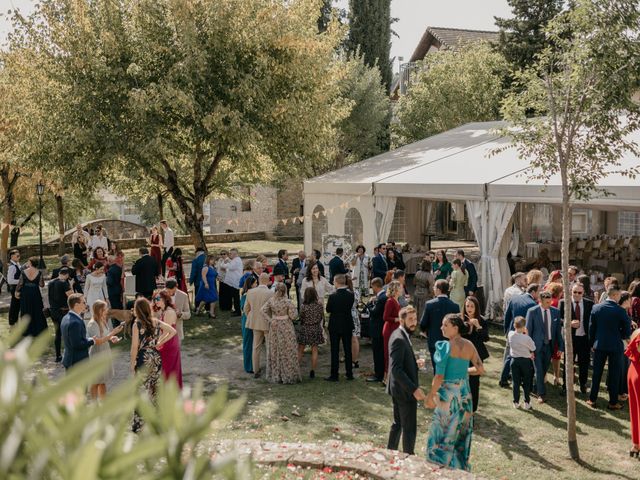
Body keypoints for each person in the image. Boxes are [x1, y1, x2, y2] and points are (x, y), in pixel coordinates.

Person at [425, 314, 484, 471]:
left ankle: (438, 467)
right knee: (461, 432)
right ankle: (458, 469)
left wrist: (430, 395)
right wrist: (463, 372)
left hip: (448, 395)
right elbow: (480, 369)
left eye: (445, 325)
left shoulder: (445, 347)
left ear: (455, 328)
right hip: (465, 393)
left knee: (442, 431)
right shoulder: (470, 345)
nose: (441, 328)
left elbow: (439, 376)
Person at [130, 297, 176, 432]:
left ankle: (140, 424)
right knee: (155, 388)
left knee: (141, 389)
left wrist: (132, 364)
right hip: (156, 356)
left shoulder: (137, 324)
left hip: (143, 357)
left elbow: (134, 347)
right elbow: (173, 331)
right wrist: (160, 342)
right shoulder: (155, 321)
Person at [386, 306, 425, 455]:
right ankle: (409, 457)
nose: (414, 323)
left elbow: (400, 363)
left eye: (415, 319)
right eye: (410, 319)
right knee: (409, 427)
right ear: (401, 320)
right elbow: (396, 369)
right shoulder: (399, 338)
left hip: (398, 388)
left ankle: (390, 453)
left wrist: (415, 363)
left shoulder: (402, 334)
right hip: (404, 391)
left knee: (398, 424)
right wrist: (414, 389)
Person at [588, 285, 632, 410]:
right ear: (614, 295)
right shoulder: (620, 311)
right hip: (615, 345)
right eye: (618, 295)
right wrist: (621, 334)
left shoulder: (596, 307)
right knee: (614, 373)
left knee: (597, 373)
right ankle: (613, 402)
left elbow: (592, 328)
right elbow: (626, 331)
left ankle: (592, 399)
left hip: (599, 344)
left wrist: (592, 343)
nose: (619, 298)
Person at [61, 293, 120, 371]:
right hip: (77, 362)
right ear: (76, 305)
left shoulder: (66, 318)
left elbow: (76, 339)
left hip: (71, 359)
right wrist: (92, 340)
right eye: (84, 302)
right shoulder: (75, 322)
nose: (86, 304)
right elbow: (77, 344)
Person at [525, 290, 564, 403]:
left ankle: (534, 386)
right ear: (540, 301)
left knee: (544, 368)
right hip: (536, 347)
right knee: (539, 369)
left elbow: (558, 332)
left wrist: (561, 347)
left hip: (549, 346)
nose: (549, 304)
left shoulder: (555, 312)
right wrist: (530, 349)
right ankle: (541, 394)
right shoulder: (532, 312)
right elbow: (528, 331)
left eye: (550, 301)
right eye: (547, 302)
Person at [500, 283, 540, 388]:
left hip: (512, 333)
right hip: (524, 335)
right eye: (538, 292)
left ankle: (503, 379)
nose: (539, 295)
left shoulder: (514, 299)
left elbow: (507, 316)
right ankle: (523, 380)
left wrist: (506, 331)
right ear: (533, 292)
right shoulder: (533, 304)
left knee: (509, 356)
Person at [261, 283, 300, 384]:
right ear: (285, 291)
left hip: (274, 326)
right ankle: (288, 375)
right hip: (286, 326)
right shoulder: (288, 302)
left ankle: (276, 375)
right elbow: (294, 316)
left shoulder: (271, 301)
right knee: (288, 349)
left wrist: (270, 320)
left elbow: (262, 311)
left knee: (275, 349)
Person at [559, 283, 593, 394]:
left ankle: (583, 384)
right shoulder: (564, 302)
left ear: (583, 293)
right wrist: (568, 323)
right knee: (568, 363)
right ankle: (566, 386)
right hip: (570, 339)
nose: (577, 294)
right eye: (574, 292)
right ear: (570, 291)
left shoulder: (589, 304)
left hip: (584, 339)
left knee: (584, 363)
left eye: (579, 292)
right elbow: (558, 319)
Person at [420, 279, 460, 372]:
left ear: (438, 289)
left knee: (437, 369)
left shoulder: (429, 304)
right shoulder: (455, 306)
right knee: (448, 368)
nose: (433, 289)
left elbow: (423, 323)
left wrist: (426, 332)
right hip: (450, 342)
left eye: (434, 287)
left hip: (434, 340)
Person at [87, 300, 120, 399]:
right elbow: (98, 341)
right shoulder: (92, 324)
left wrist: (112, 338)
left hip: (105, 352)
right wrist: (112, 333)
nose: (107, 310)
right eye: (105, 308)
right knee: (95, 381)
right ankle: (94, 404)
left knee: (103, 380)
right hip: (97, 354)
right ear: (100, 310)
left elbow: (105, 336)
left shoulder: (103, 320)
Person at [325, 274, 355, 381]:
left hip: (335, 324)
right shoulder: (351, 295)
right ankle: (349, 373)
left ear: (337, 282)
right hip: (347, 323)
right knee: (348, 349)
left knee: (335, 350)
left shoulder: (333, 296)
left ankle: (334, 374)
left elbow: (328, 309)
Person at [244, 273, 274, 378]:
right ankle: (270, 370)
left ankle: (256, 370)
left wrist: (252, 317)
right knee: (269, 347)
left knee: (255, 347)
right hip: (267, 322)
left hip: (255, 323)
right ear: (267, 280)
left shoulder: (250, 292)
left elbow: (246, 309)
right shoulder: (270, 293)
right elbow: (272, 309)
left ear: (259, 280)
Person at [462, 296, 489, 412]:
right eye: (467, 306)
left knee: (474, 382)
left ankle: (472, 410)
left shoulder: (482, 320)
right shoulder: (460, 319)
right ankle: (461, 407)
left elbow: (486, 338)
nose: (469, 308)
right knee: (461, 381)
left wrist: (478, 326)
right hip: (462, 355)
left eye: (472, 306)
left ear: (476, 308)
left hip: (476, 355)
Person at [153, 290, 183, 388]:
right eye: (154, 299)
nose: (155, 301)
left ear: (165, 299)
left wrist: (158, 343)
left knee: (169, 370)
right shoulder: (164, 311)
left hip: (169, 343)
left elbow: (167, 332)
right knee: (168, 370)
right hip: (168, 341)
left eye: (158, 299)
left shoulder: (169, 312)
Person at [15, 257, 47, 338]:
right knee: (37, 310)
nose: (27, 263)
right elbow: (42, 285)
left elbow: (20, 283)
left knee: (26, 310)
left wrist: (17, 292)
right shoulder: (39, 272)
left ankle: (26, 330)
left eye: (28, 261)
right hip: (35, 293)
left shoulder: (24, 271)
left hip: (26, 294)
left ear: (31, 262)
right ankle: (38, 330)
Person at [297, 286, 325, 379]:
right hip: (316, 328)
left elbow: (301, 318)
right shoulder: (319, 305)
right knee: (314, 350)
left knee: (300, 350)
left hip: (305, 328)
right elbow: (322, 317)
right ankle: (312, 370)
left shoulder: (303, 306)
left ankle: (296, 369)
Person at [509, 316, 536, 410]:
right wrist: (527, 334)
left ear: (514, 325)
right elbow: (533, 348)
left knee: (516, 382)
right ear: (524, 326)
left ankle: (516, 402)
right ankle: (527, 402)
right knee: (527, 382)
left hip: (514, 360)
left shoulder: (510, 334)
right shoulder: (526, 338)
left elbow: (513, 333)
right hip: (525, 361)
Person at [48, 267, 73, 362]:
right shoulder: (64, 283)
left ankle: (58, 355)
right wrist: (71, 285)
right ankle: (69, 354)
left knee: (57, 334)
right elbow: (72, 296)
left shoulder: (50, 283)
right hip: (63, 311)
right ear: (66, 275)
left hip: (53, 311)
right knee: (68, 333)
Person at [366, 277, 387, 383]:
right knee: (379, 352)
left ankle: (378, 374)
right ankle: (380, 372)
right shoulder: (383, 296)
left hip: (378, 329)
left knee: (378, 353)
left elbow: (374, 312)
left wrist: (369, 304)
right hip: (380, 328)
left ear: (375, 286)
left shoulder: (382, 298)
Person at [382, 281, 402, 379]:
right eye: (400, 288)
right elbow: (385, 317)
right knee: (388, 352)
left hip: (396, 329)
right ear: (395, 290)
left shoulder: (396, 300)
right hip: (390, 329)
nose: (402, 289)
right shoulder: (390, 301)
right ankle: (386, 376)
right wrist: (397, 319)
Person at [625, 326, 640, 457]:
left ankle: (636, 444)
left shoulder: (637, 332)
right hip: (638, 373)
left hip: (633, 371)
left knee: (635, 410)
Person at [165, 278, 191, 343]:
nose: (170, 293)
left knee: (177, 352)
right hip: (163, 330)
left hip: (177, 331)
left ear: (176, 286)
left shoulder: (183, 296)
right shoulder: (161, 294)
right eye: (168, 291)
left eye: (172, 291)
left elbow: (188, 314)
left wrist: (180, 314)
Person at [240, 276, 257, 373]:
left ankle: (253, 364)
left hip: (252, 320)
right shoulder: (246, 295)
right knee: (248, 343)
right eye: (255, 283)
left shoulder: (252, 294)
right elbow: (244, 308)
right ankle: (248, 366)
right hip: (247, 320)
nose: (257, 285)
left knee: (253, 343)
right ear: (251, 284)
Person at [195, 254, 218, 318]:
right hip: (207, 284)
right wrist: (206, 283)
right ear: (208, 260)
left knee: (210, 298)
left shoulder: (213, 267)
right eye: (212, 260)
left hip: (212, 285)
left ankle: (209, 312)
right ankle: (201, 310)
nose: (213, 261)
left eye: (214, 260)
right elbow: (203, 276)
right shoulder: (205, 267)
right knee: (209, 298)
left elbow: (214, 275)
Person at [221, 248, 243, 316]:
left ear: (235, 254)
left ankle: (238, 311)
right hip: (233, 282)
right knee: (234, 296)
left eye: (231, 253)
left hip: (235, 282)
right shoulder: (234, 260)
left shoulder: (237, 260)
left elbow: (230, 267)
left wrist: (225, 262)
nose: (229, 254)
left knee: (236, 297)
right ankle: (236, 310)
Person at [7, 249, 22, 327]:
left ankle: (15, 322)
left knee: (17, 306)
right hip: (15, 289)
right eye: (17, 256)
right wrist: (21, 281)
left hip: (18, 288)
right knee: (14, 305)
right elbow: (10, 280)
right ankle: (12, 323)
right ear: (12, 257)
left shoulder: (17, 264)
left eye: (19, 255)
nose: (19, 257)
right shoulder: (12, 267)